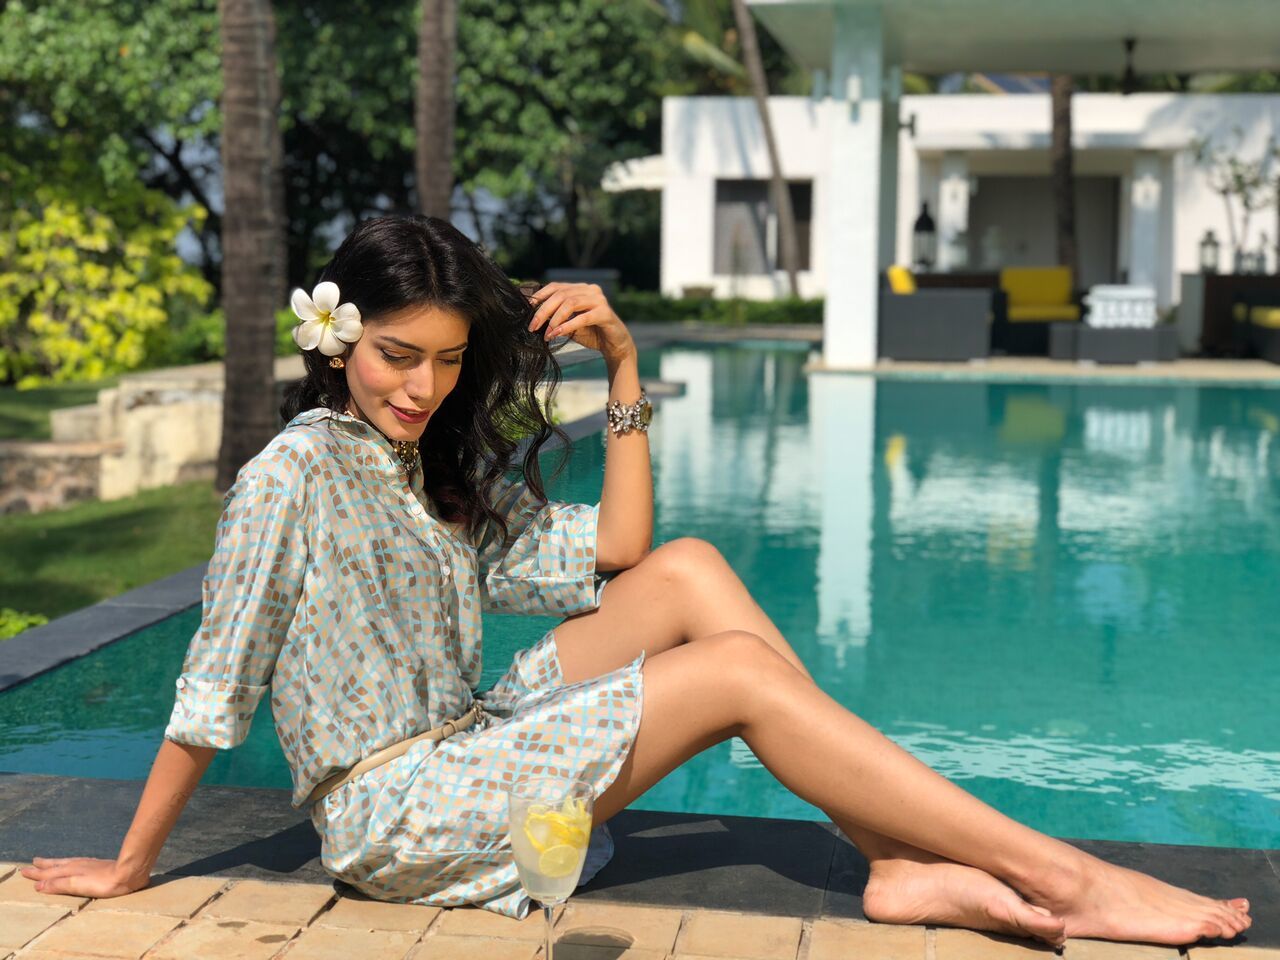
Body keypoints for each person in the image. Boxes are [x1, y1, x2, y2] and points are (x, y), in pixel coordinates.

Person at [23, 216, 1251, 946]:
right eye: (396, 356)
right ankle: (1060, 874)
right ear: (338, 341)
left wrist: (621, 364)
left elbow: (619, 552)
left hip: (466, 745)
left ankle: (889, 861)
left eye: (447, 361)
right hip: (394, 815)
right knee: (731, 674)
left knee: (689, 573)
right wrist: (131, 867)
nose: (423, 388)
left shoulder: (418, 467)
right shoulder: (289, 476)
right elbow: (215, 686)